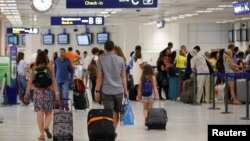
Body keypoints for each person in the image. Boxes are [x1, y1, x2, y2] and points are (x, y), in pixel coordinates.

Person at [24, 51, 59, 140]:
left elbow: (30, 82)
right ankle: (46, 126)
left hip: (37, 92)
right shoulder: (50, 66)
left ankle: (42, 134)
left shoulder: (34, 67)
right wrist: (57, 92)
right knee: (49, 112)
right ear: (46, 57)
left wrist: (27, 93)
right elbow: (53, 80)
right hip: (48, 92)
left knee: (40, 113)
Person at [95, 41, 128, 132]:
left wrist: (97, 91)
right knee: (116, 112)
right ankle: (113, 132)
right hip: (119, 90)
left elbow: (100, 77)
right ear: (113, 48)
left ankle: (111, 133)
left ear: (104, 48)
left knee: (109, 113)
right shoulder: (121, 59)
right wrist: (126, 90)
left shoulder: (101, 59)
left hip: (107, 91)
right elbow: (124, 77)